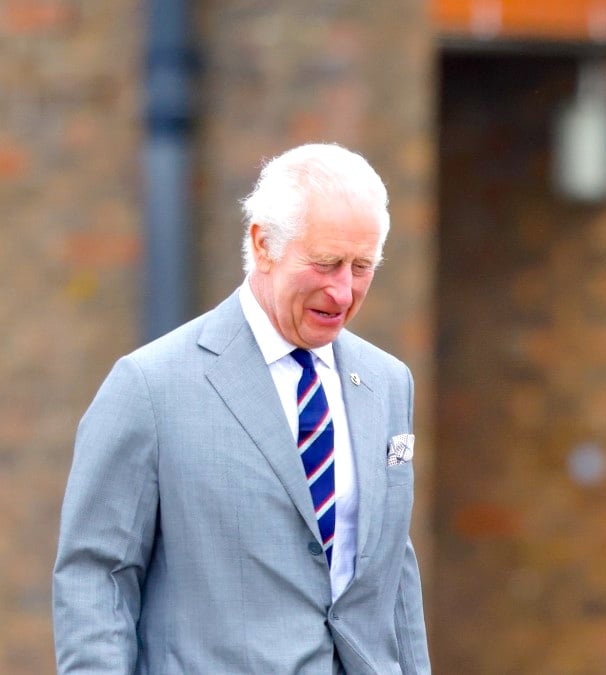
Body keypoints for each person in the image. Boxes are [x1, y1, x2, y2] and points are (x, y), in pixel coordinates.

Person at [53, 143, 430, 674]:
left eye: (362, 266)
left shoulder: (389, 383)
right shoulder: (150, 387)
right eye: (325, 263)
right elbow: (97, 577)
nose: (343, 291)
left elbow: (393, 575)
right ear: (264, 244)